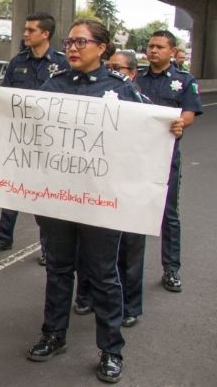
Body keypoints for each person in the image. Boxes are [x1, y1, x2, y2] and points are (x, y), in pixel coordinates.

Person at [0, 19, 185, 384]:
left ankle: (111, 350)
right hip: (59, 200)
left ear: (101, 47)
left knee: (104, 275)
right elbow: (29, 120)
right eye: (69, 41)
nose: (73, 48)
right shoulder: (55, 83)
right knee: (59, 269)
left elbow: (146, 130)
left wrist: (169, 127)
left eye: (81, 42)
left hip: (99, 202)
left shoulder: (121, 88)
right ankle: (53, 334)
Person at [0, 12, 69, 261]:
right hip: (19, 135)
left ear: (45, 34)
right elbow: (5, 95)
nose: (25, 34)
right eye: (25, 29)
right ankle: (3, 237)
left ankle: (47, 247)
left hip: (48, 138)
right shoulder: (17, 62)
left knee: (43, 191)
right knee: (13, 186)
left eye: (31, 30)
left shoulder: (62, 64)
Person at [74, 49, 147, 328]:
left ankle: (129, 305)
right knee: (86, 246)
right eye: (111, 67)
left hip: (125, 186)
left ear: (132, 74)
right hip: (93, 185)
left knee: (128, 248)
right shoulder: (91, 98)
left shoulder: (141, 102)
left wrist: (173, 127)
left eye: (120, 69)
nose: (114, 73)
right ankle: (86, 295)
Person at [136, 30, 202, 292]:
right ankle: (124, 271)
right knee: (128, 211)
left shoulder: (183, 80)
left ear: (172, 52)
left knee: (168, 215)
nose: (153, 51)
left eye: (160, 47)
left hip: (165, 157)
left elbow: (189, 113)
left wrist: (180, 123)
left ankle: (171, 269)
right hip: (134, 156)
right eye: (151, 46)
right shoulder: (135, 78)